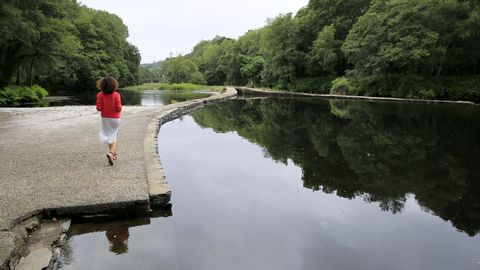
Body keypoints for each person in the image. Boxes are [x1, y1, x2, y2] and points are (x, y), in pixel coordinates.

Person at [96, 76, 122, 165]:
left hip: (105, 119)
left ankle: (113, 153)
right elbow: (118, 108)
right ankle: (111, 153)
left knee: (109, 135)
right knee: (114, 136)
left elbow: (99, 108)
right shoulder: (116, 94)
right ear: (114, 85)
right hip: (115, 119)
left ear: (101, 85)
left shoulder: (99, 95)